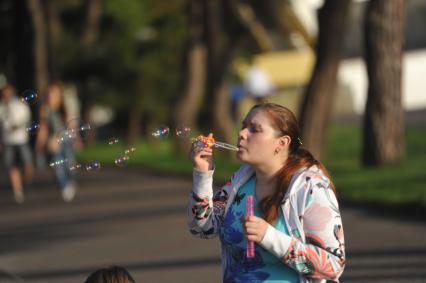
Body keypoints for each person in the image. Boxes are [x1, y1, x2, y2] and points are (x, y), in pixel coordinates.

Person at [188, 103, 345, 282]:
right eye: (244, 126)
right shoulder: (241, 179)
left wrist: (269, 237)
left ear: (282, 143)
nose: (242, 133)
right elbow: (203, 228)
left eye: (254, 129)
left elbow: (333, 266)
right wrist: (202, 173)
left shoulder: (310, 187)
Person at [35, 82, 78, 202]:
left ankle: (71, 181)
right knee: (58, 165)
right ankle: (64, 186)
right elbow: (43, 128)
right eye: (49, 93)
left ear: (59, 95)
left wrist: (76, 139)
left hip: (66, 140)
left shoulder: (64, 108)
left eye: (54, 93)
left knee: (70, 164)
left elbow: (72, 124)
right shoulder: (45, 109)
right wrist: (40, 142)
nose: (51, 96)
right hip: (54, 142)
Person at [0, 84, 34, 203]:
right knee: (11, 167)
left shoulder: (20, 105)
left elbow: (26, 118)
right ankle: (17, 191)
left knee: (27, 165)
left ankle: (25, 184)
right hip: (8, 141)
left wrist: (17, 125)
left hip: (21, 140)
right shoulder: (1, 107)